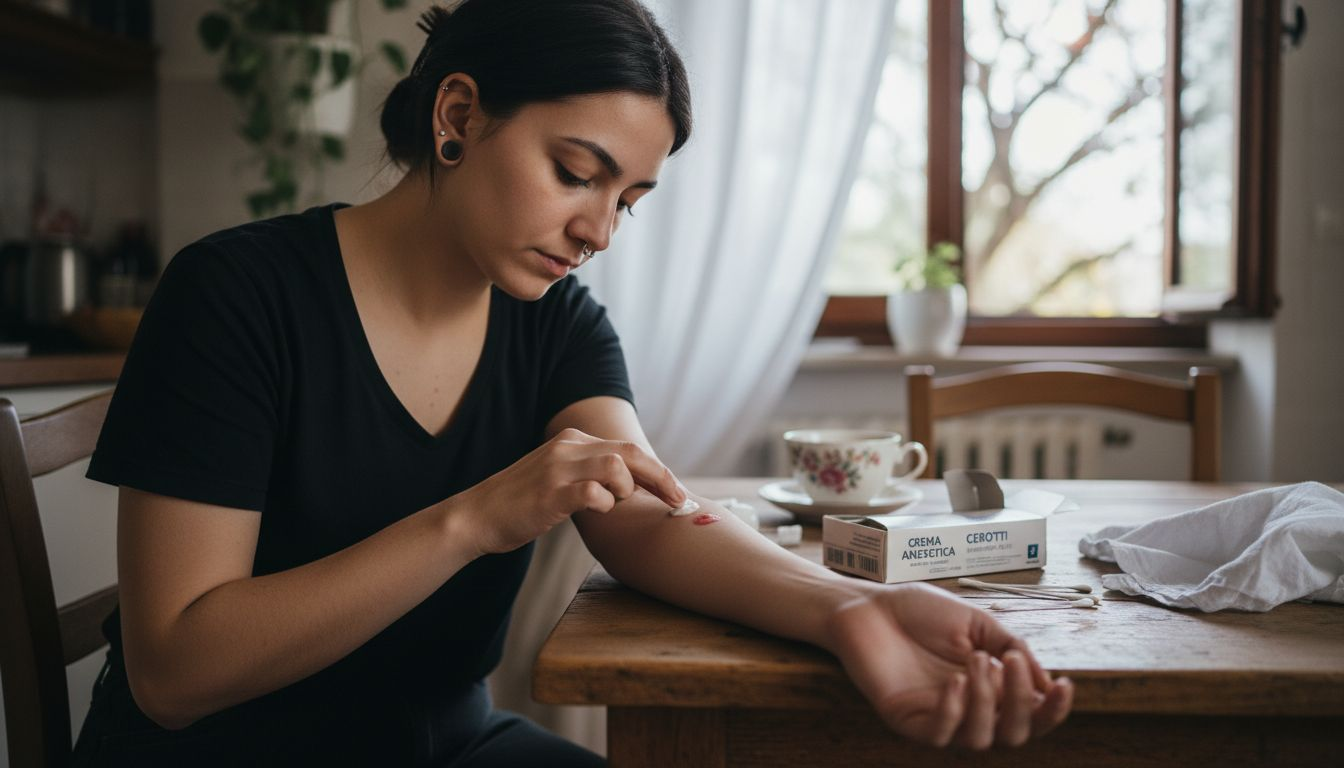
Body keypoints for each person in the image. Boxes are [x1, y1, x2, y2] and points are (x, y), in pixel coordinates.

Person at [71, 0, 1073, 765]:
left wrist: (853, 610)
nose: (599, 231)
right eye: (576, 172)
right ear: (457, 114)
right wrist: (476, 517)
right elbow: (173, 671)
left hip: (445, 742)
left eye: (627, 200)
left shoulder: (556, 324)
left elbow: (648, 515)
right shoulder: (236, 295)